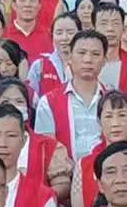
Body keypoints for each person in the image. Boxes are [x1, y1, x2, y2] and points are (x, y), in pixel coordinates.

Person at [35, 28, 107, 161]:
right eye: (81, 53)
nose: (88, 59)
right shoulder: (49, 102)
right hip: (65, 171)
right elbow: (47, 148)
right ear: (70, 58)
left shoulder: (113, 101)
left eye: (95, 54)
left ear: (104, 61)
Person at [73, 90, 127, 207]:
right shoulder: (84, 165)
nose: (115, 123)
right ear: (99, 122)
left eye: (122, 115)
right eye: (108, 116)